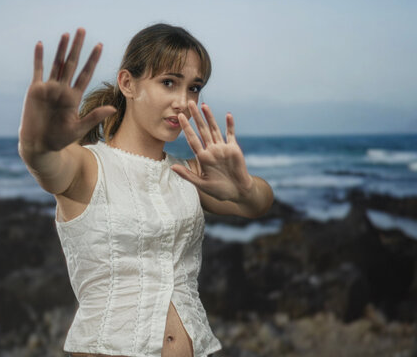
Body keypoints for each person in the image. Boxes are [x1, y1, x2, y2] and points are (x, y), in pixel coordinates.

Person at [18, 23, 273, 357]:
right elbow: (45, 164)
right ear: (128, 84)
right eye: (168, 82)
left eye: (194, 88)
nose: (183, 101)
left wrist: (242, 189)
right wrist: (36, 144)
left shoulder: (188, 174)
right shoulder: (87, 166)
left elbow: (259, 204)